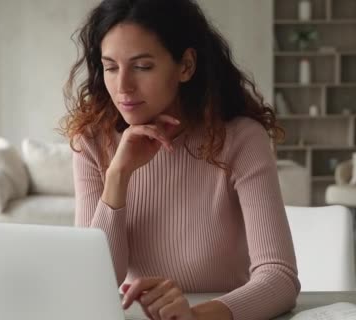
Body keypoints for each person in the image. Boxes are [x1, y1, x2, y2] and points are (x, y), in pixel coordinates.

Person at [62, 0, 300, 319]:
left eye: (143, 66)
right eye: (111, 67)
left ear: (186, 65)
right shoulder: (92, 141)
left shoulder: (241, 139)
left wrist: (195, 316)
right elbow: (93, 282)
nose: (123, 88)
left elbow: (280, 278)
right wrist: (118, 174)